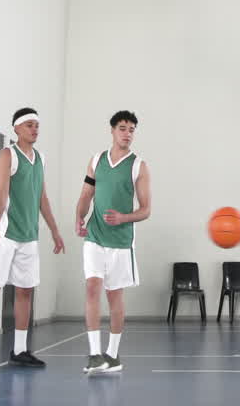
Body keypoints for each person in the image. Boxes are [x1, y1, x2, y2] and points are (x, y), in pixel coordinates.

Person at [0, 108, 65, 373]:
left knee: (25, 290)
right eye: (30, 125)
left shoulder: (40, 158)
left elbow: (42, 197)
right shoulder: (7, 154)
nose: (35, 129)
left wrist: (54, 230)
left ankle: (20, 350)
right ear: (17, 128)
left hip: (29, 236)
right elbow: (1, 192)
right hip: (6, 234)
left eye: (37, 125)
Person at [74, 111, 151, 375]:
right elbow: (86, 193)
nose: (127, 133)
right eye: (122, 128)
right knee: (92, 288)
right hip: (95, 237)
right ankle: (95, 354)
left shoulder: (139, 166)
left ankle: (113, 355)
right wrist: (79, 217)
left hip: (120, 242)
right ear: (112, 130)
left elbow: (146, 210)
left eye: (131, 129)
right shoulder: (96, 161)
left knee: (114, 296)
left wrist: (123, 217)